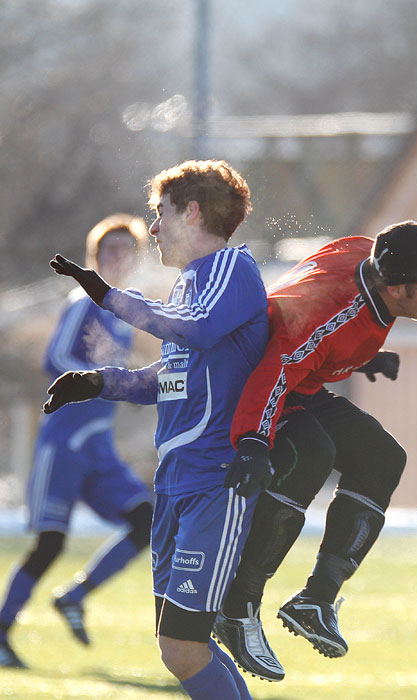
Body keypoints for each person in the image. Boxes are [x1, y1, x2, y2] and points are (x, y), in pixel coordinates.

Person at [41, 160, 270, 700]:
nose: (152, 228)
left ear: (191, 212)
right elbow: (169, 376)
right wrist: (98, 381)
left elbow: (195, 329)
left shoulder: (232, 270)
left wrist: (108, 295)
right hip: (175, 483)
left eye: (159, 213)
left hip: (215, 481)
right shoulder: (191, 284)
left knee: (185, 647)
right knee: (182, 650)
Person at [212, 220, 417, 682]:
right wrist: (252, 442)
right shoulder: (336, 313)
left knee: (383, 458)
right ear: (398, 289)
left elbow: (312, 334)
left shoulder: (372, 256)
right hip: (250, 386)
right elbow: (282, 363)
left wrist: (361, 358)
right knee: (312, 453)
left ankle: (315, 600)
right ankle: (236, 606)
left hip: (294, 377)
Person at [0, 214, 154, 669]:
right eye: (110, 251)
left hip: (98, 446)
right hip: (65, 443)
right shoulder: (82, 302)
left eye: (127, 250)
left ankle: (75, 595)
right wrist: (100, 380)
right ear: (94, 258)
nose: (119, 258)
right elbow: (56, 357)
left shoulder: (122, 312)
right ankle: (1, 631)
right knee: (49, 544)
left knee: (145, 520)